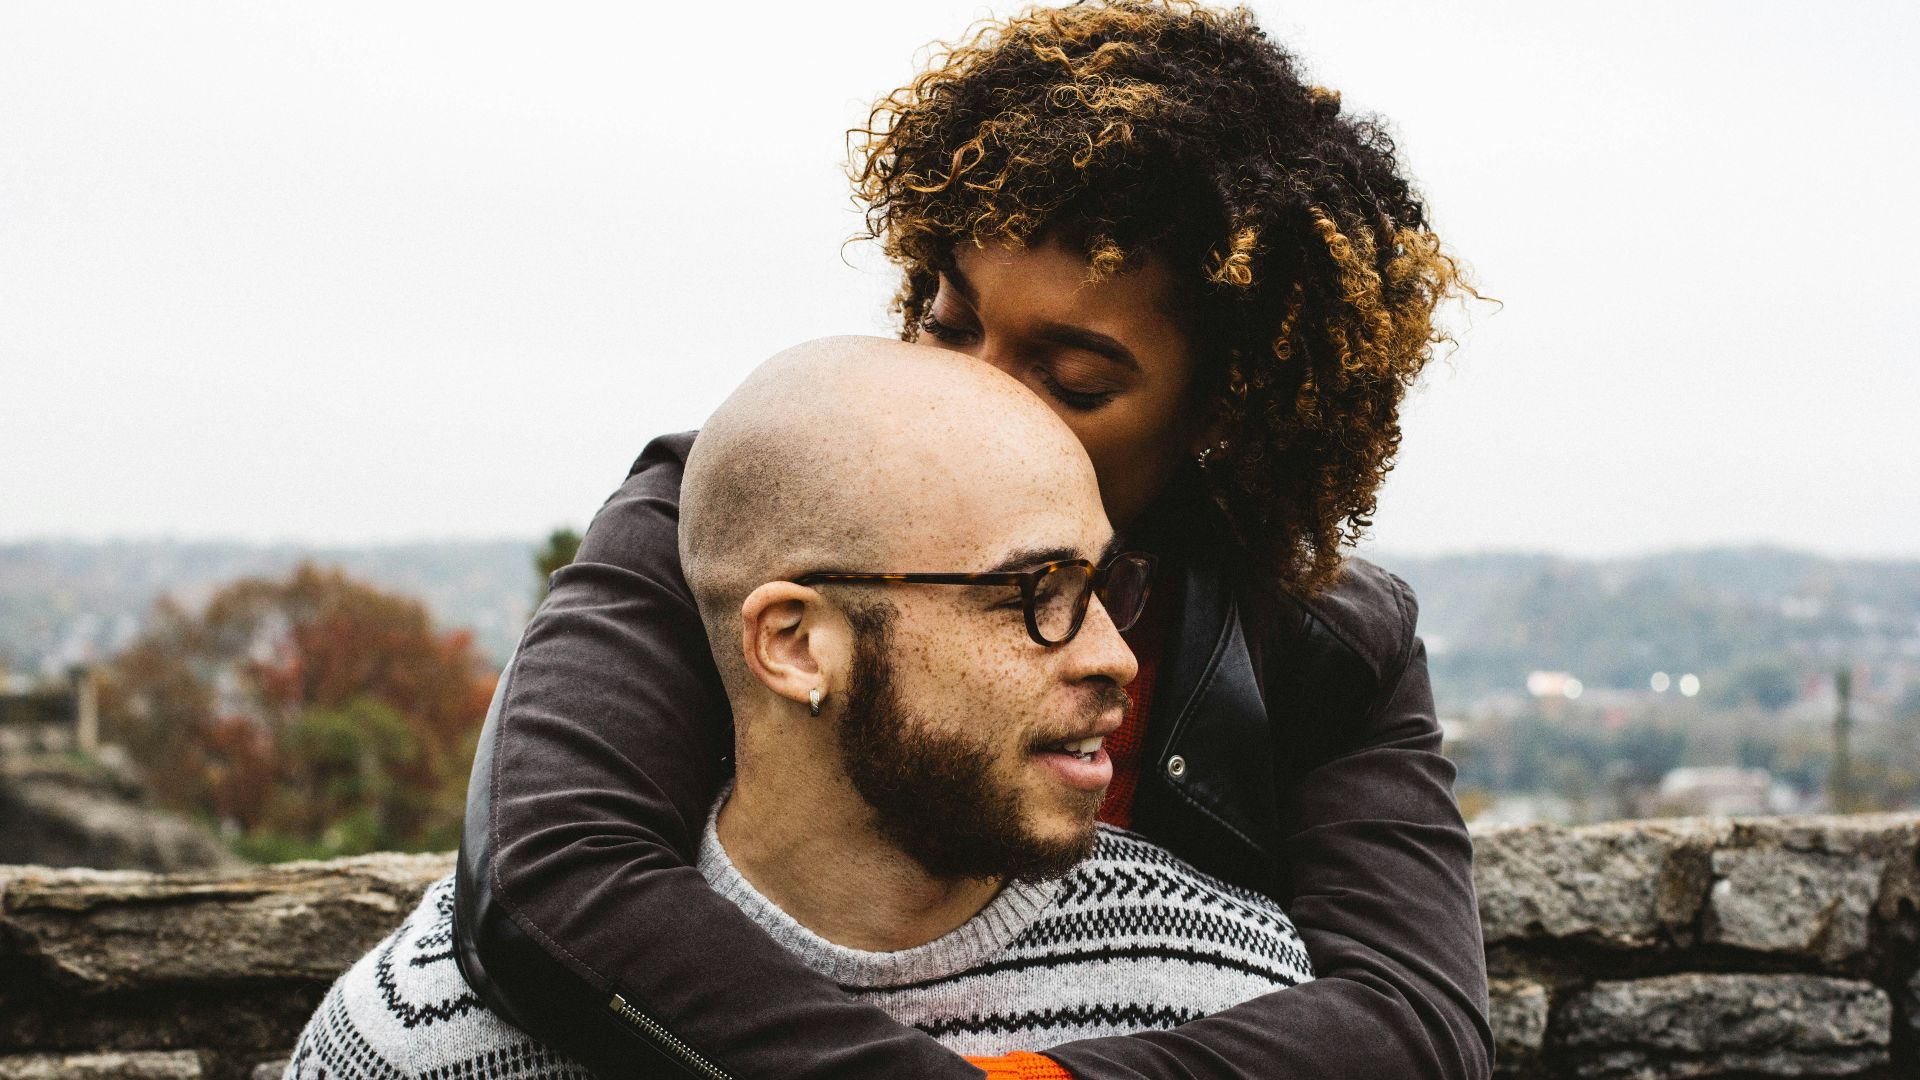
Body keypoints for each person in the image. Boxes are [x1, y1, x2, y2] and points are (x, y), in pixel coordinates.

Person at [454, 2, 1491, 1078]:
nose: (975, 392)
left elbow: (1413, 1025)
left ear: (1220, 413)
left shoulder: (1326, 642)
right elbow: (547, 881)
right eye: (949, 325)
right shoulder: (730, 513)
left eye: (1074, 379)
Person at [287, 339, 1315, 1078]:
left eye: (1101, 587)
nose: (1113, 656)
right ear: (794, 644)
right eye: (1031, 595)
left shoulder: (1226, 988)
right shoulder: (430, 1040)